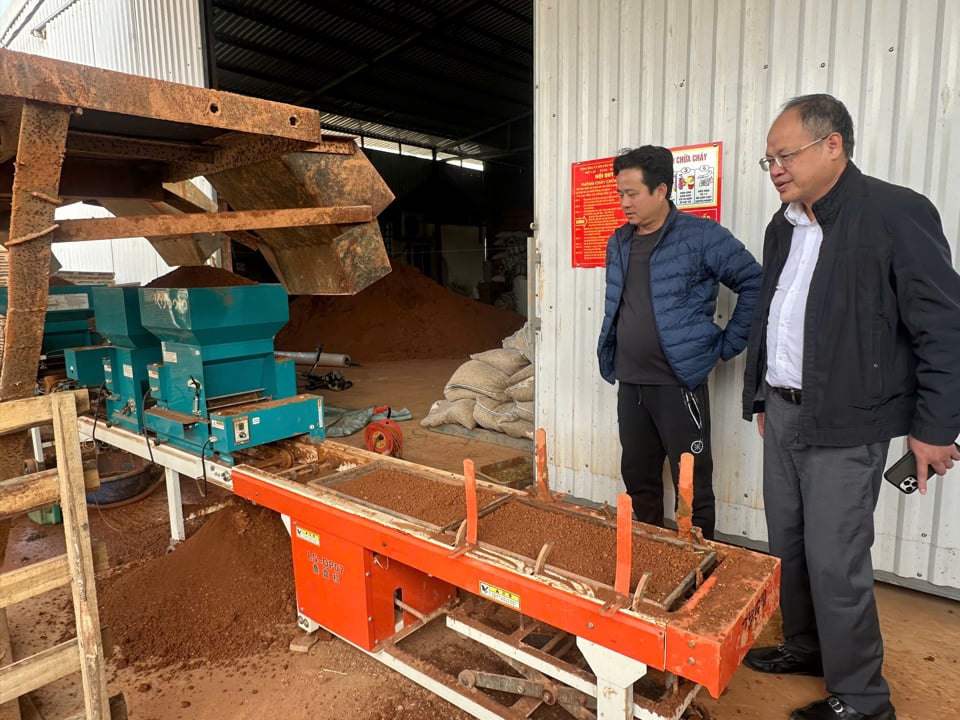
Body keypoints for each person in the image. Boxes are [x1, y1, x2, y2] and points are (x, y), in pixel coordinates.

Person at [741, 94, 960, 720]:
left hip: (846, 422)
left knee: (837, 563)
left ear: (832, 144)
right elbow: (773, 313)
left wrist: (936, 426)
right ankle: (808, 647)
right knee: (791, 546)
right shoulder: (783, 225)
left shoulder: (895, 213)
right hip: (783, 414)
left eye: (785, 155)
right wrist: (761, 391)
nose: (776, 168)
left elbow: (942, 326)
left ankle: (864, 700)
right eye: (769, 159)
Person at [597, 145, 762, 540]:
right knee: (638, 480)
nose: (624, 203)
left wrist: (726, 345)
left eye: (632, 193)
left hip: (677, 386)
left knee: (692, 485)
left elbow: (755, 283)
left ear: (661, 190)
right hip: (631, 383)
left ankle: (695, 571)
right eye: (620, 194)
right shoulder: (619, 242)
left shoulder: (702, 236)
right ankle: (647, 560)